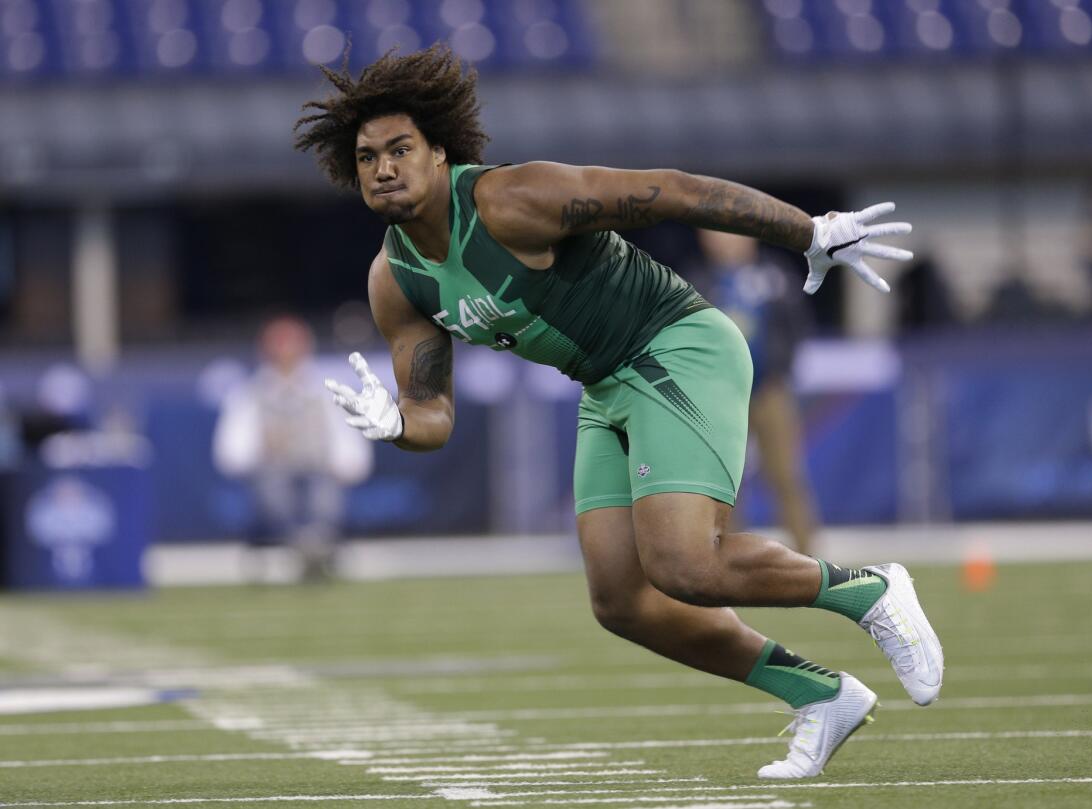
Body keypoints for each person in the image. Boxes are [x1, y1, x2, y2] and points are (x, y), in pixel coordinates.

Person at [298, 45, 942, 779]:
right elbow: (432, 411)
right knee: (620, 599)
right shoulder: (394, 278)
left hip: (675, 344)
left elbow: (666, 190)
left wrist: (807, 230)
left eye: (400, 149)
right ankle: (819, 694)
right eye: (367, 157)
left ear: (439, 151)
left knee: (685, 563)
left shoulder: (511, 201)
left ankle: (872, 590)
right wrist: (397, 425)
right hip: (604, 383)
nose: (383, 167)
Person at [213, 315, 372, 582]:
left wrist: (342, 466)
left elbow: (350, 449)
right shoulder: (248, 394)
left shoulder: (328, 391)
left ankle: (314, 542)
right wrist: (260, 454)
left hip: (317, 470)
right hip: (272, 471)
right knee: (274, 488)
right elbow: (230, 454)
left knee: (324, 490)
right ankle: (307, 545)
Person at [688, 229, 818, 554]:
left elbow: (797, 325)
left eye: (731, 233)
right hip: (720, 395)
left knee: (786, 474)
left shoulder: (775, 275)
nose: (726, 240)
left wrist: (781, 368)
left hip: (769, 389)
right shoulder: (697, 281)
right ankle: (729, 559)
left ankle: (811, 560)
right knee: (725, 483)